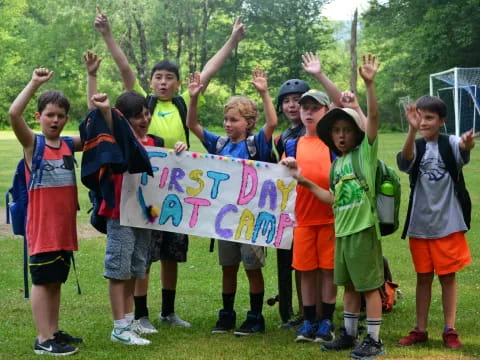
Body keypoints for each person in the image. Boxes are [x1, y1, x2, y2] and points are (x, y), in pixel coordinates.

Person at [94, 7, 245, 329]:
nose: (163, 82)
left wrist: (232, 41)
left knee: (171, 254)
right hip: (143, 191)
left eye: (169, 78)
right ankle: (142, 315)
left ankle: (168, 311)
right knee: (144, 254)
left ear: (178, 83)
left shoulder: (182, 103)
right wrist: (107, 34)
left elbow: (207, 72)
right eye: (158, 78)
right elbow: (124, 70)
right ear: (151, 82)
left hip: (177, 191)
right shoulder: (141, 105)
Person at [282, 54, 385, 359]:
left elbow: (374, 121)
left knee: (368, 285)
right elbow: (332, 197)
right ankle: (350, 334)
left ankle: (374, 339)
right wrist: (305, 182)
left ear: (356, 133)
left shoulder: (364, 155)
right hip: (342, 231)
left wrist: (368, 86)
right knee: (350, 285)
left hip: (363, 230)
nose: (341, 136)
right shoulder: (337, 165)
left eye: (347, 130)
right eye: (336, 131)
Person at [84, 52, 188, 341]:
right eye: (137, 116)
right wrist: (92, 78)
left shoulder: (154, 143)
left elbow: (170, 168)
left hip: (146, 217)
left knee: (136, 267)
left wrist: (178, 149)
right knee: (119, 270)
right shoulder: (116, 141)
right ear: (122, 120)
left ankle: (129, 322)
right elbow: (98, 115)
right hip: (120, 215)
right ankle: (120, 327)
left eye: (146, 113)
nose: (144, 119)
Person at [186, 68, 277, 335]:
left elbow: (271, 123)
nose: (227, 124)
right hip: (225, 219)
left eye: (233, 120)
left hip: (251, 219)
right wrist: (193, 99)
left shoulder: (255, 145)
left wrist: (264, 92)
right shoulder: (220, 144)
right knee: (228, 267)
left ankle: (255, 317)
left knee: (252, 268)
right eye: (226, 119)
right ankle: (226, 315)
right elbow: (193, 125)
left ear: (248, 122)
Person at [9, 68, 83, 356]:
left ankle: (53, 331)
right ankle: (42, 339)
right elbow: (14, 115)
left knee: (55, 280)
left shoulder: (67, 144)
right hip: (42, 228)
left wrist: (90, 76)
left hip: (64, 229)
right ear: (38, 117)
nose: (55, 120)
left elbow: (95, 132)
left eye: (61, 115)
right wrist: (34, 83)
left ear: (66, 119)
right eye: (49, 114)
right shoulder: (33, 144)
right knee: (42, 280)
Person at [396, 96, 476, 349]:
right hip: (420, 226)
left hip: (448, 225)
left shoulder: (449, 143)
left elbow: (462, 150)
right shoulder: (416, 145)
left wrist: (466, 145)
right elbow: (405, 159)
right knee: (422, 277)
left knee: (448, 278)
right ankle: (420, 329)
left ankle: (449, 329)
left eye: (429, 117)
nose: (423, 122)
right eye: (420, 116)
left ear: (442, 121)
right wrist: (410, 129)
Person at [273, 52, 344, 329]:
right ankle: (309, 318)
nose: (308, 112)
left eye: (314, 108)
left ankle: (326, 319)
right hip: (301, 221)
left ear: (325, 111)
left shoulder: (334, 143)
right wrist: (286, 165)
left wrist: (319, 74)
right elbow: (280, 177)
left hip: (329, 219)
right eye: (305, 108)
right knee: (305, 271)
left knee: (328, 271)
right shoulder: (291, 143)